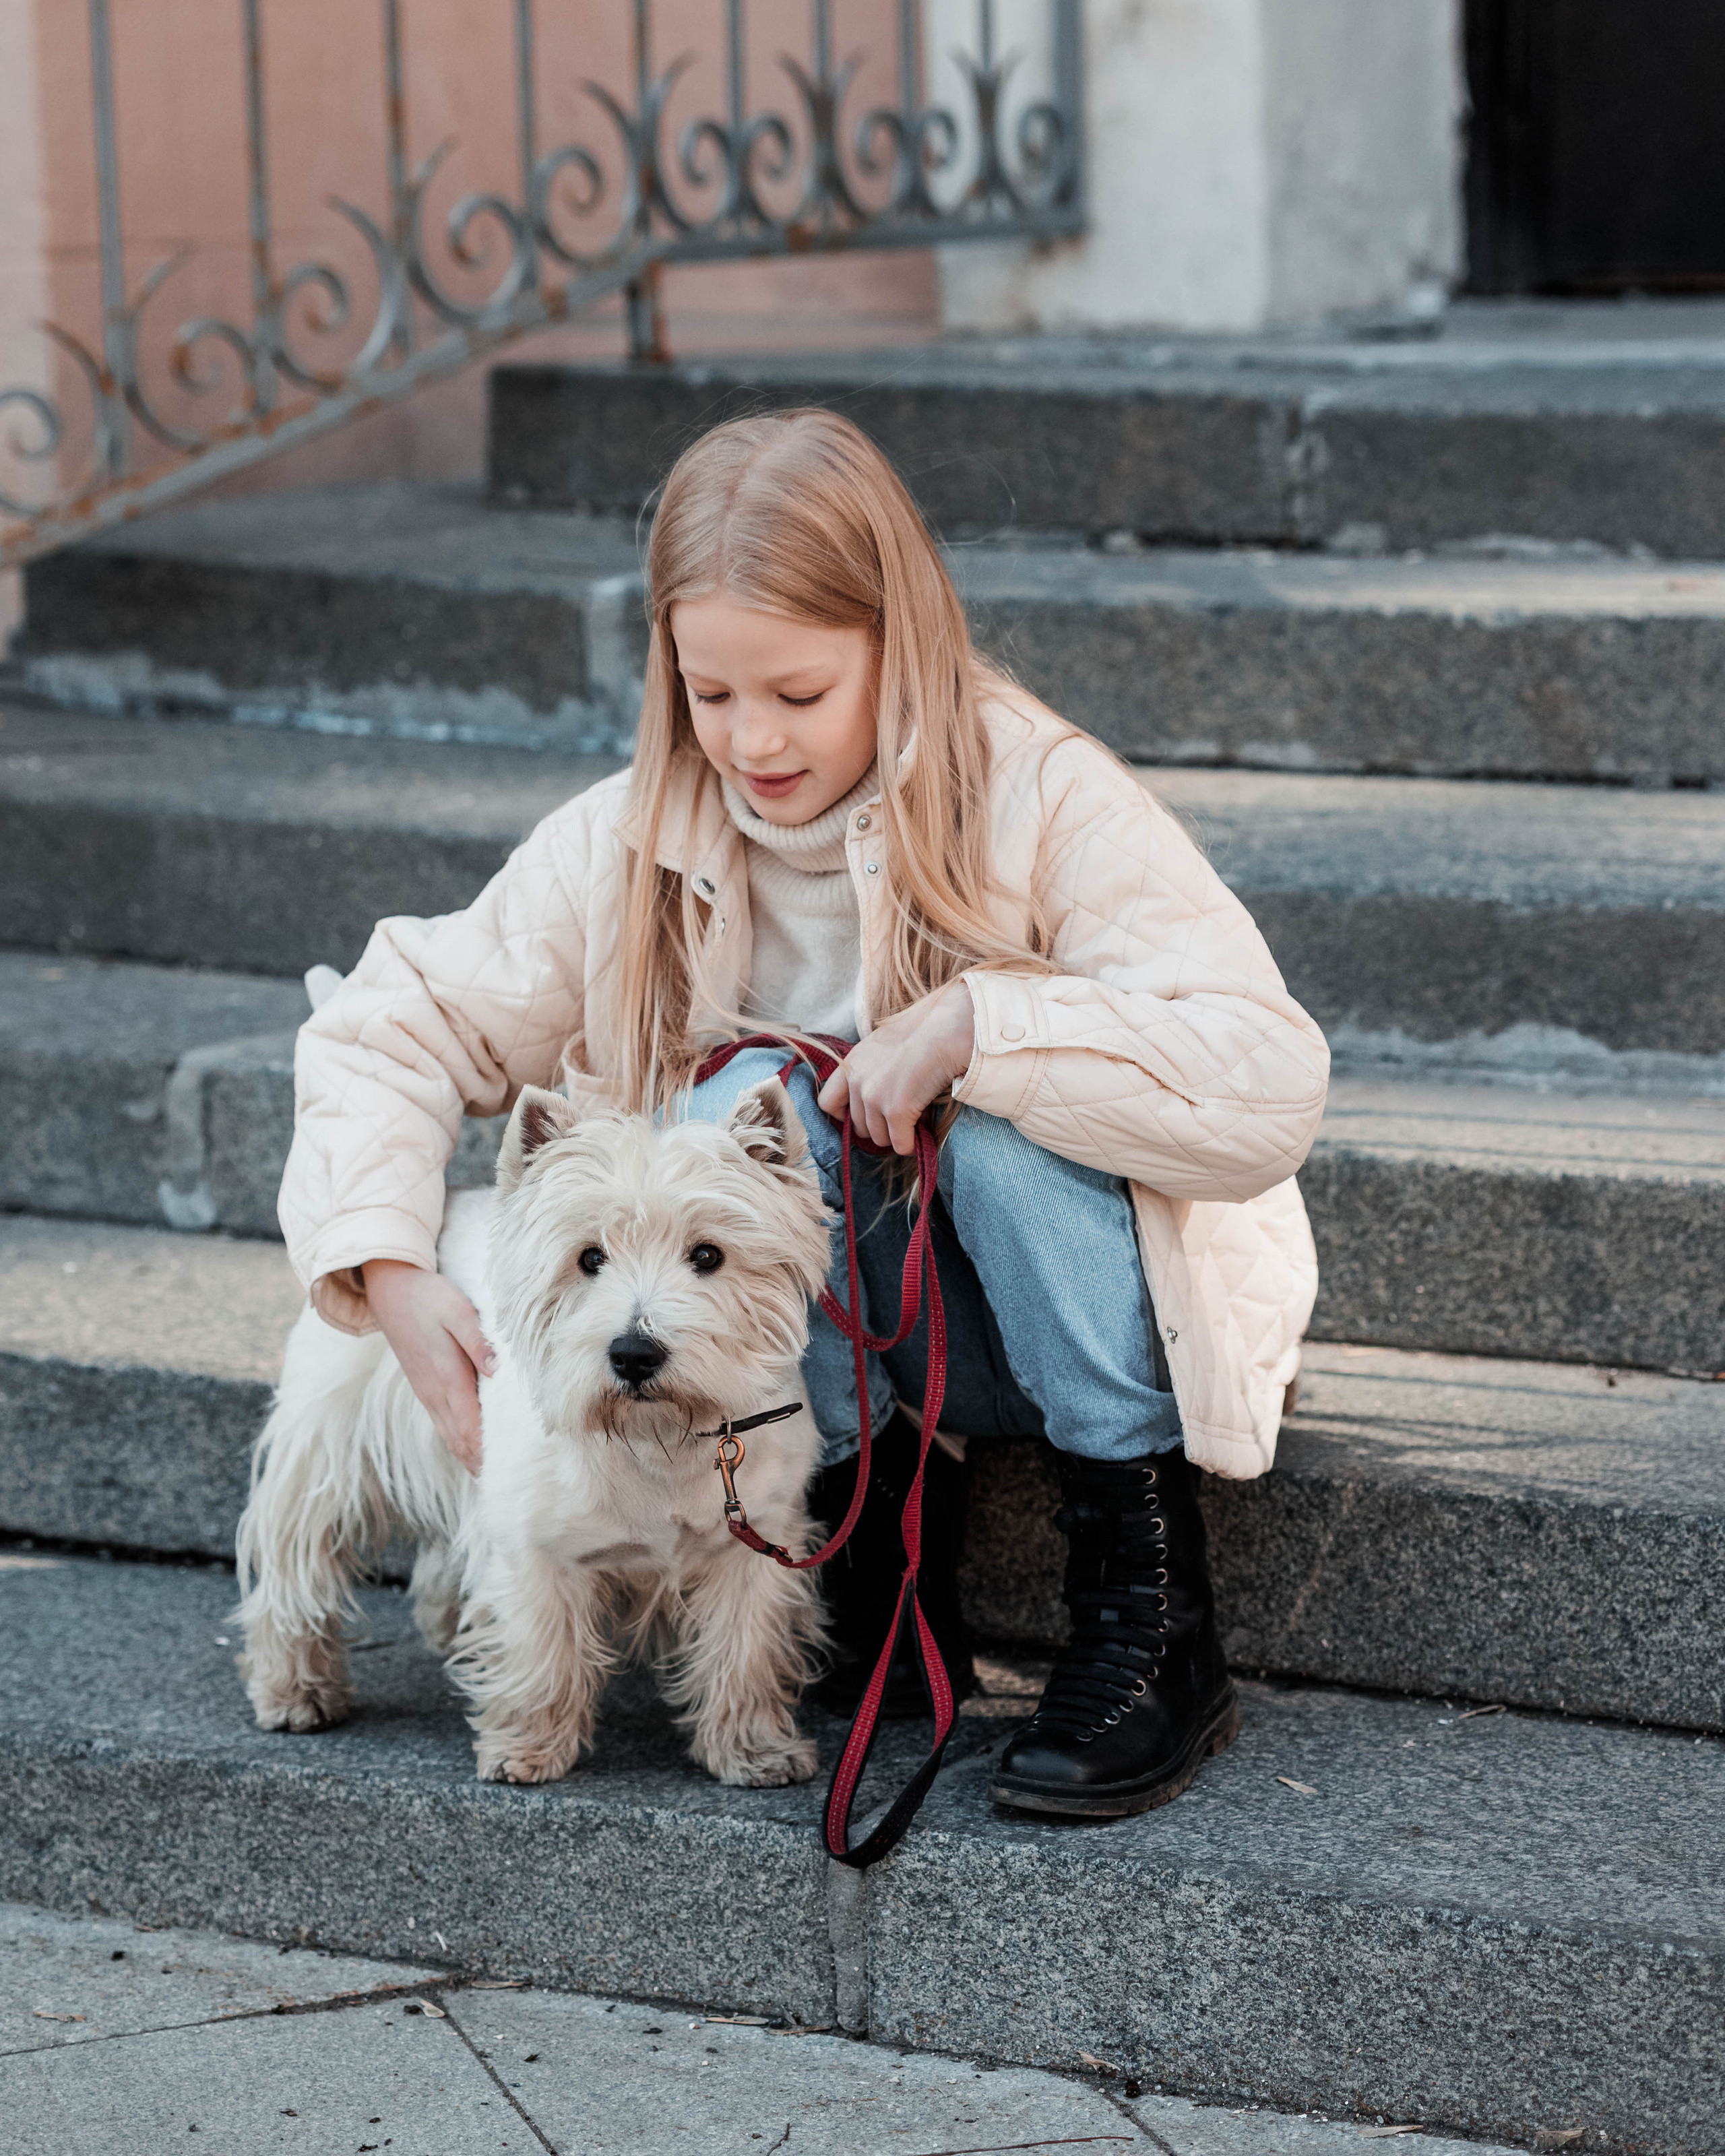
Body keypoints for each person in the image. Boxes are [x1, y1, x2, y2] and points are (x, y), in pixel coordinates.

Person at [278, 409, 1329, 1821]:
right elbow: (391, 1019)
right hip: (833, 1355)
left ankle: (1145, 1616)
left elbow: (1264, 1076)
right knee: (733, 1116)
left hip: (1071, 1330)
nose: (751, 740)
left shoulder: (1037, 788)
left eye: (797, 691)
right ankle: (884, 1578)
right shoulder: (632, 831)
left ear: (896, 642)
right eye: (712, 695)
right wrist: (390, 1268)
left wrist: (983, 1026)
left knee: (1002, 1132)